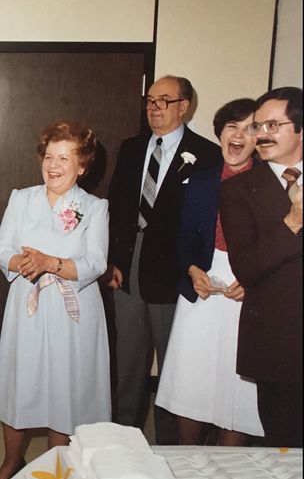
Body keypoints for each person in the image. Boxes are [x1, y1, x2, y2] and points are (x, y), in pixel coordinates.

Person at [0, 120, 110, 479]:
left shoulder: (94, 207)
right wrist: (23, 262)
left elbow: (96, 263)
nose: (54, 165)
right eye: (49, 157)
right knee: (20, 382)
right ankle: (11, 462)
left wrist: (51, 263)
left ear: (82, 166)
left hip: (74, 311)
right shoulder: (21, 198)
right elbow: (1, 250)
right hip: (28, 306)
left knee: (65, 387)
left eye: (64, 158)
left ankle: (56, 468)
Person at [106, 75, 221, 445]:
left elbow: (205, 221)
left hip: (174, 270)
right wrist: (113, 260)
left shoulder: (206, 154)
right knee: (127, 356)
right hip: (128, 265)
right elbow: (117, 206)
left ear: (184, 106)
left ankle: (171, 443)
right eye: (150, 101)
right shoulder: (131, 147)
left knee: (173, 362)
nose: (154, 108)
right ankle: (124, 434)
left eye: (163, 101)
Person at [155, 98, 264, 445]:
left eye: (250, 129)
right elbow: (185, 234)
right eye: (232, 126)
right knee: (191, 377)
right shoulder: (201, 180)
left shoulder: (269, 184)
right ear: (220, 132)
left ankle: (230, 465)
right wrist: (191, 268)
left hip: (247, 286)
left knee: (237, 385)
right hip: (202, 282)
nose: (239, 135)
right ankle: (189, 457)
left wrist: (254, 280)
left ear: (260, 139)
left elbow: (277, 246)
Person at [219, 86, 303, 448]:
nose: (261, 134)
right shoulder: (239, 190)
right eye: (258, 126)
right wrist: (293, 221)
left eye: (272, 125)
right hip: (278, 340)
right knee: (285, 445)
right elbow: (247, 267)